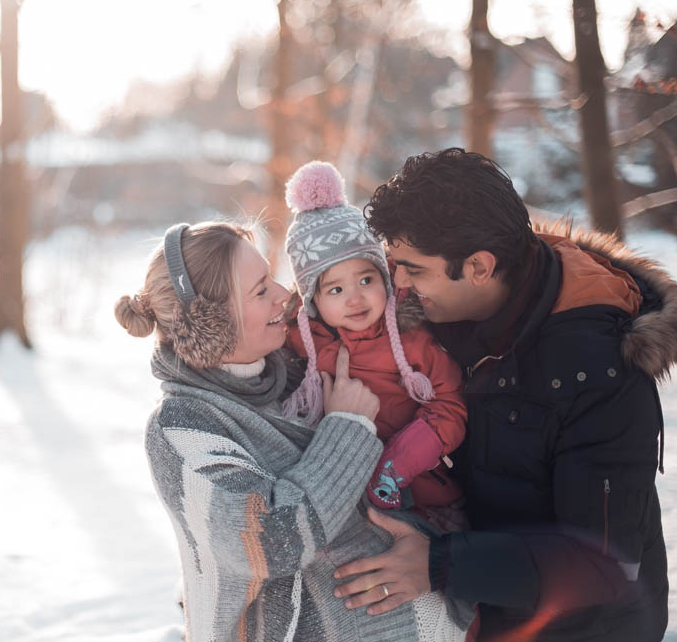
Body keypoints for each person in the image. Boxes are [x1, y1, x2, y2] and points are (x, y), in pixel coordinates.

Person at [332, 148, 677, 642]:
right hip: (488, 609)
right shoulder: (445, 313)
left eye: (414, 270)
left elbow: (605, 564)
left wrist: (440, 563)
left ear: (479, 267)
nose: (398, 284)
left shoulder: (600, 370)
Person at [116, 221, 474, 642]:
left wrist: (431, 542)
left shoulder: (293, 375)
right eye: (261, 289)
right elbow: (270, 541)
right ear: (212, 321)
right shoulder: (182, 427)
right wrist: (347, 428)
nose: (285, 295)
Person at [280, 161, 466, 511]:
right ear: (313, 301)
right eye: (335, 289)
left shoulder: (414, 336)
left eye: (366, 280)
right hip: (348, 497)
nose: (354, 298)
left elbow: (450, 406)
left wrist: (396, 465)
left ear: (386, 276)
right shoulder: (303, 337)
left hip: (427, 493)